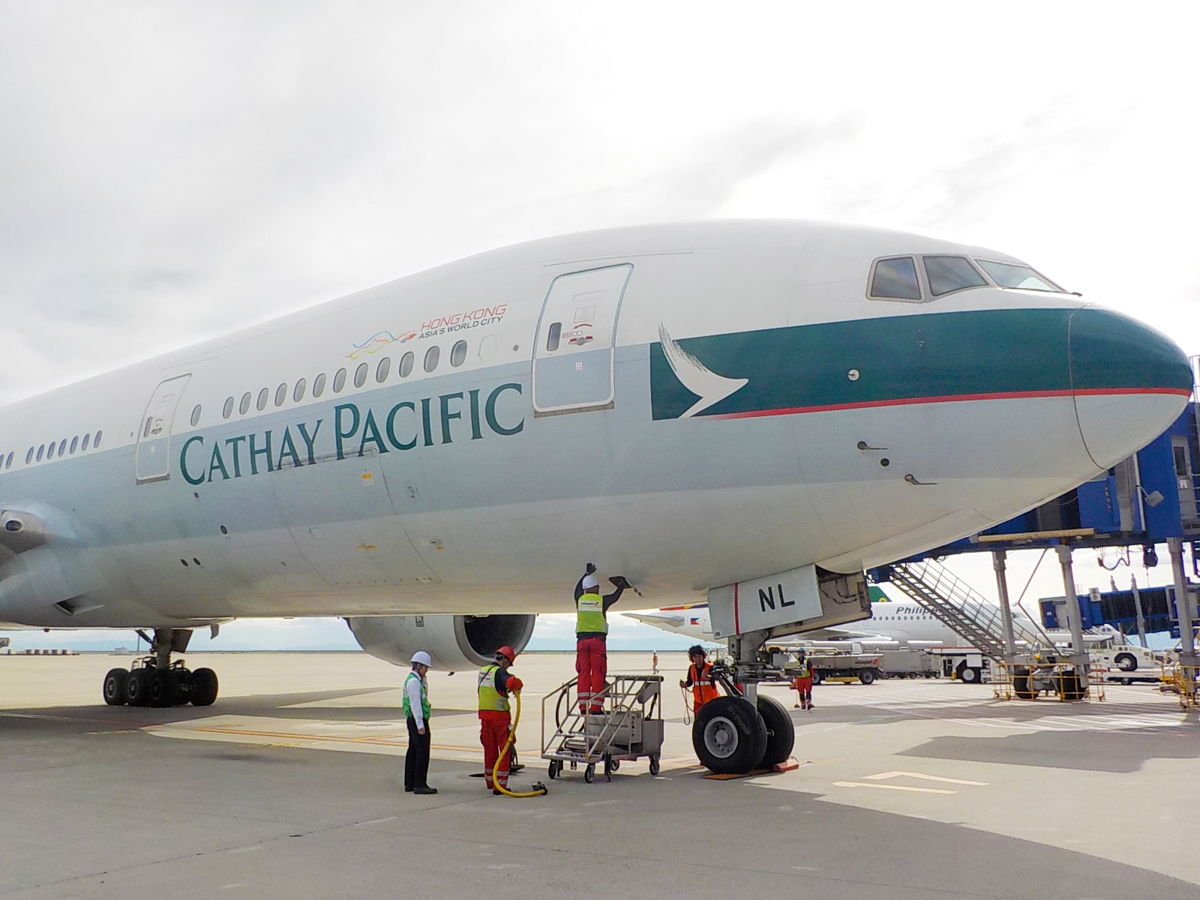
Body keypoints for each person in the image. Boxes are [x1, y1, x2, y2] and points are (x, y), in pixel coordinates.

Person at [574, 563, 630, 714]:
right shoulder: (601, 601)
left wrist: (586, 573)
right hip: (597, 642)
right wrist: (621, 586)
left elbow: (577, 589)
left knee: (583, 673)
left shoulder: (579, 599)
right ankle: (596, 708)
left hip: (582, 642)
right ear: (597, 588)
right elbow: (615, 597)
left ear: (585, 589)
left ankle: (583, 707)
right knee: (598, 673)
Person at [478, 645, 524, 794]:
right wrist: (519, 685)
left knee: (489, 751)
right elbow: (511, 682)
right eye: (509, 663)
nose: (508, 666)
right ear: (504, 660)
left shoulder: (483, 671)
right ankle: (501, 785)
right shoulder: (500, 673)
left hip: (485, 718)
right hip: (500, 718)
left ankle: (490, 782)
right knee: (504, 752)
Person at [403, 650, 437, 794]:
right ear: (419, 666)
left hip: (414, 720)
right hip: (417, 720)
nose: (426, 671)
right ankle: (420, 784)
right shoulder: (413, 682)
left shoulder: (416, 680)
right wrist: (420, 725)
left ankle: (409, 782)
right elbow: (415, 704)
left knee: (413, 750)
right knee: (422, 752)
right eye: (425, 668)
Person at [680, 645, 720, 712]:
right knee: (698, 720)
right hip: (698, 701)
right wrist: (685, 685)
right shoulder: (691, 668)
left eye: (699, 656)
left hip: (711, 700)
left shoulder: (710, 667)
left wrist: (708, 678)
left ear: (703, 656)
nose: (698, 659)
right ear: (692, 658)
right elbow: (690, 682)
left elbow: (715, 680)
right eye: (695, 657)